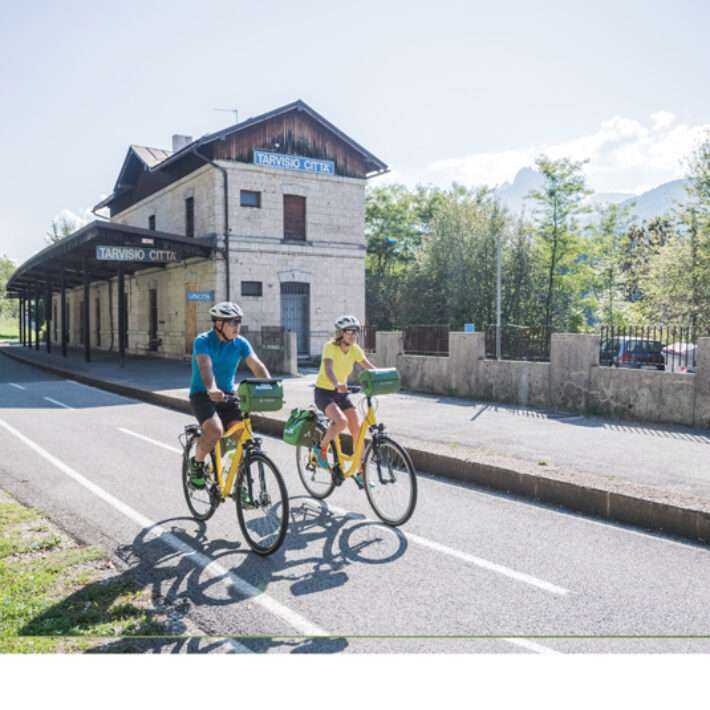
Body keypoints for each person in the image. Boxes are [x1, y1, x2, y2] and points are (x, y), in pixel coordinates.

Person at [188, 301, 271, 488]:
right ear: (219, 324)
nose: (237, 326)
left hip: (228, 395)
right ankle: (197, 464)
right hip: (203, 394)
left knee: (244, 435)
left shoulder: (240, 343)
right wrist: (211, 388)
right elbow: (205, 367)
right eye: (233, 322)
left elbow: (256, 365)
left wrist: (271, 386)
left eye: (239, 322)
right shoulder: (203, 341)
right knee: (215, 431)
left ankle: (240, 484)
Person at [312, 315, 375, 488]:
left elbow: (369, 366)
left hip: (341, 394)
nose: (353, 335)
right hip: (324, 392)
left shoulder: (355, 349)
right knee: (341, 422)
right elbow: (328, 369)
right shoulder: (330, 347)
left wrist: (383, 377)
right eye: (349, 331)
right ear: (341, 333)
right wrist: (336, 383)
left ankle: (360, 472)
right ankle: (321, 448)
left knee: (358, 430)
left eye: (356, 331)